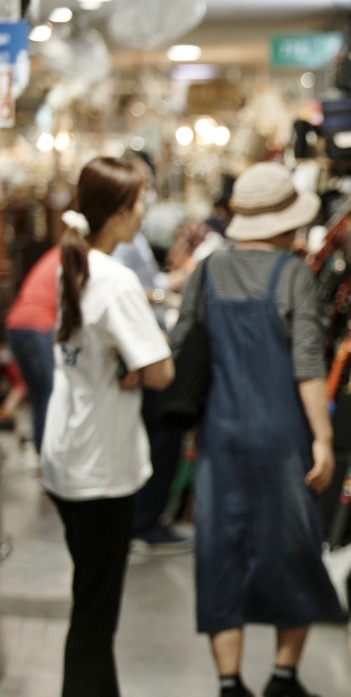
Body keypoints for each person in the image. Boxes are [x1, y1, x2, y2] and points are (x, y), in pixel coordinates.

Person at [171, 161, 342, 697]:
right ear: (288, 223)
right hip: (281, 435)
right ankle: (284, 678)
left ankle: (229, 689)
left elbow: (184, 349)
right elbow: (308, 367)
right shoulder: (294, 276)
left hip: (219, 436)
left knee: (221, 551)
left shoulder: (206, 272)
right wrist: (323, 437)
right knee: (291, 546)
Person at [40, 156, 175, 697]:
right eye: (139, 201)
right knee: (96, 608)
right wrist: (137, 365)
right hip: (100, 468)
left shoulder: (76, 264)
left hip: (69, 455)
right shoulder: (115, 279)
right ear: (120, 212)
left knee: (95, 594)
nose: (144, 212)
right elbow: (162, 371)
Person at [113, 152, 193, 554]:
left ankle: (144, 519)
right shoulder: (116, 253)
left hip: (144, 349)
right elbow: (131, 292)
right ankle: (145, 522)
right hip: (142, 353)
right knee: (161, 425)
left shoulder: (129, 242)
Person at [4, 245, 59, 449]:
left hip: (16, 325)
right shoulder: (72, 256)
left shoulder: (53, 254)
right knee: (47, 395)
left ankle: (43, 458)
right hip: (36, 327)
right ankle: (46, 458)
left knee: (39, 395)